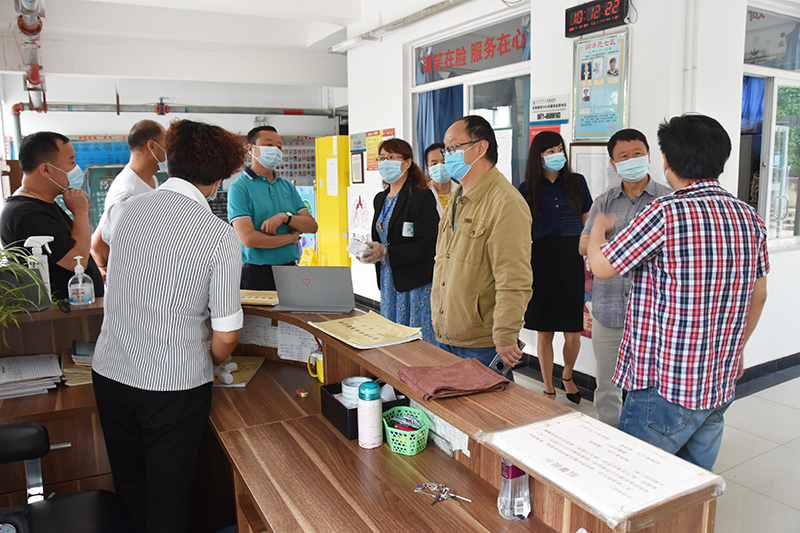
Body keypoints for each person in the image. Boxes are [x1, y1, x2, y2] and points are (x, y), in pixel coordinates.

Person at [587, 114, 769, 470]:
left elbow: (602, 266)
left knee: (636, 480)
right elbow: (758, 296)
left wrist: (598, 229)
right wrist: (737, 350)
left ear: (666, 160)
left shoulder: (665, 212)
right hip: (718, 380)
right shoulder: (749, 217)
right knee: (692, 482)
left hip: (666, 385)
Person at [92, 119, 246, 531]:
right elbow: (227, 333)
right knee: (169, 499)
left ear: (169, 160)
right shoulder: (217, 235)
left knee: (131, 487)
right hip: (172, 387)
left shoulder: (126, 211)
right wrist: (212, 361)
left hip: (110, 374)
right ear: (219, 179)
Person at [578, 129, 672, 426]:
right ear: (613, 163)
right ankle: (609, 440)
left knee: (652, 387)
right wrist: (605, 237)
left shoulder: (667, 200)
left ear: (648, 155)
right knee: (607, 387)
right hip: (609, 310)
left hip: (654, 315)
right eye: (624, 156)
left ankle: (646, 439)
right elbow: (583, 245)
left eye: (637, 154)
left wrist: (607, 243)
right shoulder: (604, 202)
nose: (632, 160)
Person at [431, 115, 532, 380]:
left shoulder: (505, 202)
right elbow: (444, 261)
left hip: (482, 344)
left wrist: (506, 335)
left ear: (481, 147)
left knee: (486, 407)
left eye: (453, 148)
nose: (447, 157)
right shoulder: (458, 196)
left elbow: (514, 277)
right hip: (447, 334)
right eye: (446, 150)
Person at [519, 131, 592, 403]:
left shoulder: (577, 182)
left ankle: (568, 375)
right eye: (550, 151)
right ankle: (548, 387)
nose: (557, 155)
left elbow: (588, 221)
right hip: (540, 260)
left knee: (573, 334)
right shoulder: (526, 189)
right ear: (538, 156)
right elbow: (520, 229)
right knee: (545, 331)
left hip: (571, 259)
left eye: (560, 149)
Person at [0, 131, 103, 300]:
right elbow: (76, 261)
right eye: (71, 162)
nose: (76, 169)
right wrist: (80, 212)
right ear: (46, 169)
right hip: (63, 312)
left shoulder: (42, 204)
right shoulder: (27, 214)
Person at [360, 138, 439, 343]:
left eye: (392, 157)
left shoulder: (421, 197)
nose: (385, 162)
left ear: (407, 163)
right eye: (381, 158)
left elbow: (428, 246)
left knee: (416, 342)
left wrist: (386, 252)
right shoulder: (380, 198)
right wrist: (371, 252)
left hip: (415, 285)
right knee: (391, 338)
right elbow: (381, 238)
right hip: (389, 281)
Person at [227, 125, 318, 290]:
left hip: (290, 270)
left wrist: (285, 217)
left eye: (279, 147)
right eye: (269, 145)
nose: (275, 150)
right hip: (256, 274)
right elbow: (249, 239)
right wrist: (289, 239)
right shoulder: (239, 188)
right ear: (250, 149)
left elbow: (311, 226)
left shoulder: (287, 186)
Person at [90, 120, 166, 280]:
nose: (169, 150)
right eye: (166, 143)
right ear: (152, 146)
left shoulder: (151, 179)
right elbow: (98, 244)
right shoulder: (126, 190)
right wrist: (105, 268)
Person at [423, 142, 459, 215]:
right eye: (434, 164)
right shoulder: (421, 194)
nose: (440, 166)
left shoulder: (461, 191)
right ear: (427, 169)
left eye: (444, 162)